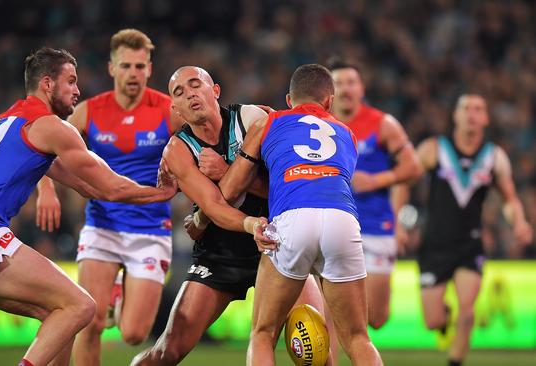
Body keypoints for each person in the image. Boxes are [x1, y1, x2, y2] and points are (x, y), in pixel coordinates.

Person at [0, 47, 177, 366]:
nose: (77, 90)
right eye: (71, 81)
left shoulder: (7, 120)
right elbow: (111, 185)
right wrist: (163, 192)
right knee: (83, 307)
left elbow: (85, 186)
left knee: (60, 315)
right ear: (47, 84)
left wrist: (58, 190)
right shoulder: (51, 127)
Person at [131, 66, 326, 366]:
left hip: (277, 246)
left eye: (195, 85)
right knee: (167, 351)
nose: (190, 94)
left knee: (316, 347)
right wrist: (247, 223)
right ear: (176, 109)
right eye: (179, 93)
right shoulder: (178, 150)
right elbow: (214, 206)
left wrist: (228, 173)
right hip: (221, 254)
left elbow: (288, 185)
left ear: (215, 91)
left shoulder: (253, 119)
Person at [216, 63, 382, 365]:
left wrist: (224, 169)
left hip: (292, 219)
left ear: (289, 100)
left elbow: (229, 190)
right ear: (329, 101)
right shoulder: (347, 134)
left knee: (263, 333)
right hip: (342, 220)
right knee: (358, 338)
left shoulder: (269, 123)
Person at [35, 29, 183, 366]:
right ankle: (107, 298)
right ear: (111, 68)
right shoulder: (89, 111)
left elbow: (197, 148)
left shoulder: (167, 110)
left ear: (149, 68)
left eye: (140, 66)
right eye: (126, 65)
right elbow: (43, 144)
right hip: (102, 226)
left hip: (150, 231)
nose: (134, 73)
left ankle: (117, 297)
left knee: (133, 333)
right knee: (89, 322)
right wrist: (46, 190)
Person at [411, 93, 532, 366]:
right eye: (466, 108)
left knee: (468, 312)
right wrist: (395, 219)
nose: (472, 114)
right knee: (433, 322)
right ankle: (445, 317)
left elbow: (510, 199)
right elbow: (404, 181)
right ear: (455, 115)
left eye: (478, 109)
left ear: (486, 118)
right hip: (435, 244)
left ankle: (455, 362)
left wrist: (519, 222)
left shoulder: (494, 157)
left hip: (471, 244)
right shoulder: (434, 149)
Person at [327, 58, 423, 329]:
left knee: (376, 318)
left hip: (375, 225)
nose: (345, 89)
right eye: (338, 83)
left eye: (351, 82)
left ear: (361, 88)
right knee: (330, 310)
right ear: (329, 91)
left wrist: (378, 180)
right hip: (334, 224)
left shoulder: (382, 123)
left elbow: (413, 167)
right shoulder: (319, 126)